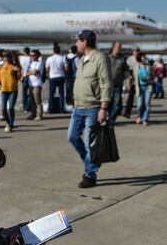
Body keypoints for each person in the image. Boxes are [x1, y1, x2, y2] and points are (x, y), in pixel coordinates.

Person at [68, 29, 111, 188]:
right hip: (78, 107)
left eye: (78, 40)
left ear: (85, 42)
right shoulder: (82, 59)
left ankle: (90, 175)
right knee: (72, 137)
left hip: (93, 108)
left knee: (89, 143)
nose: (76, 43)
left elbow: (106, 84)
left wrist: (104, 108)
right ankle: (92, 161)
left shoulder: (100, 58)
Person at [0, 50, 21, 132]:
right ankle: (8, 123)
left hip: (13, 90)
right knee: (3, 109)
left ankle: (11, 125)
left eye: (7, 56)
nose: (6, 58)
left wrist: (18, 71)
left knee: (11, 108)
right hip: (4, 90)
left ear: (10, 57)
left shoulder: (13, 66)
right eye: (4, 56)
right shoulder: (1, 67)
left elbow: (18, 78)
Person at [107, 42, 128, 123]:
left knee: (117, 104)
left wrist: (128, 80)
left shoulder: (122, 59)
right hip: (108, 85)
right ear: (113, 47)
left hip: (118, 85)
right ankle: (109, 118)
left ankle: (111, 120)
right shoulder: (107, 58)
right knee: (109, 103)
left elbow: (126, 70)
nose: (118, 49)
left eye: (120, 47)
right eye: (117, 47)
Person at [46, 44, 67, 114]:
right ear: (59, 51)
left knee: (51, 94)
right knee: (61, 94)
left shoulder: (49, 58)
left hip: (52, 77)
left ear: (53, 51)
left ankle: (50, 109)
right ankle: (62, 109)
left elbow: (47, 69)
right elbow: (66, 68)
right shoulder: (62, 58)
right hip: (60, 76)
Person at [136, 53, 154, 125]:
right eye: (142, 58)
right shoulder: (137, 67)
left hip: (148, 87)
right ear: (140, 58)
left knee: (147, 104)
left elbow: (153, 76)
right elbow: (134, 76)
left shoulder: (149, 67)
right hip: (139, 87)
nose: (144, 59)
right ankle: (139, 116)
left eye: (145, 58)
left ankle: (145, 119)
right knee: (140, 104)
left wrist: (150, 78)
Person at [27, 49, 44, 120]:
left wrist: (30, 72)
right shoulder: (31, 63)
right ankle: (33, 114)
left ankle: (39, 114)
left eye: (34, 55)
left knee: (37, 100)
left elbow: (35, 72)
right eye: (31, 55)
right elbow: (27, 72)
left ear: (37, 56)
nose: (32, 57)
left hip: (37, 83)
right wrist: (30, 72)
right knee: (32, 100)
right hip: (31, 84)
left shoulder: (39, 63)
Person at [19, 46, 32, 112]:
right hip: (29, 76)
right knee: (30, 93)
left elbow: (20, 68)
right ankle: (28, 106)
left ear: (24, 52)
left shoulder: (21, 58)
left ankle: (25, 107)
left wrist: (21, 76)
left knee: (24, 93)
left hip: (23, 76)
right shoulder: (30, 58)